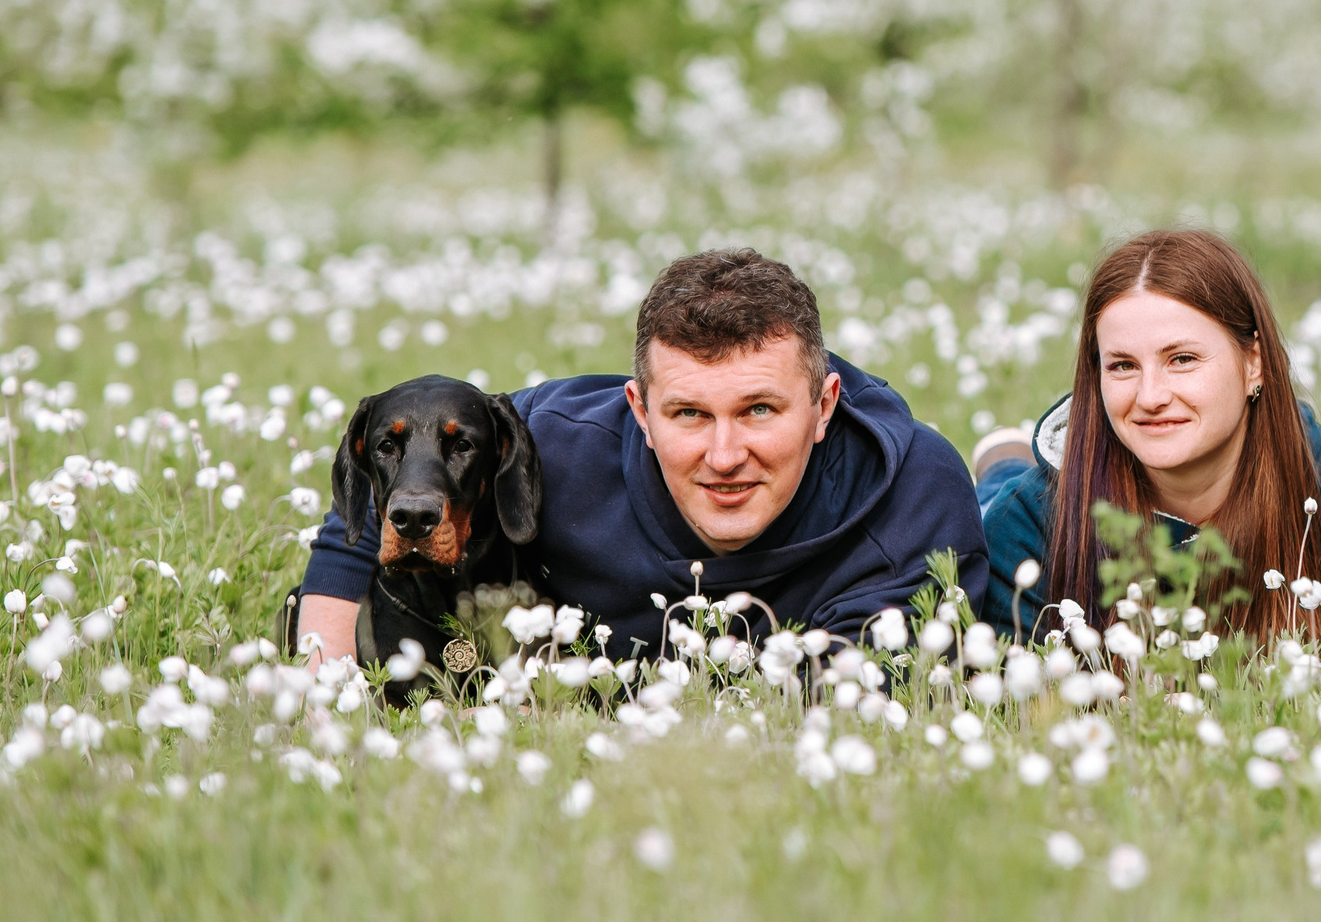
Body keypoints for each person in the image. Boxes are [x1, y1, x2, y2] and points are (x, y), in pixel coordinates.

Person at [294, 248, 986, 662]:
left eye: (759, 410)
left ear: (824, 406)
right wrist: (321, 679)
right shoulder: (547, 437)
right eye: (689, 412)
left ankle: (1010, 464)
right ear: (640, 411)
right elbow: (396, 476)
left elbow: (859, 702)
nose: (724, 454)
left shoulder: (912, 497)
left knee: (1015, 507)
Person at [975, 228, 1321, 639]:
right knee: (987, 502)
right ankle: (1003, 463)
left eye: (1182, 359)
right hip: (1000, 500)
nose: (1150, 397)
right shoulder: (1026, 521)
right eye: (1122, 366)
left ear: (1254, 364)